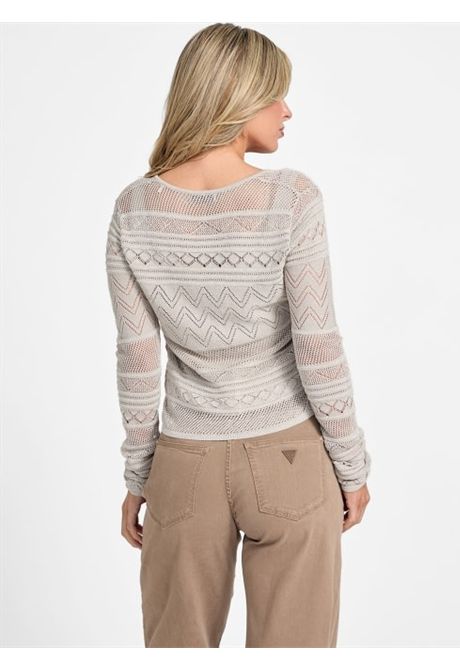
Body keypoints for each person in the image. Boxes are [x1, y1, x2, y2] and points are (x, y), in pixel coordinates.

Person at [105, 22, 372, 648]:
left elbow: (137, 359)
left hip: (183, 466)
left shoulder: (133, 208)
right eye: (275, 95)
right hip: (289, 458)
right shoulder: (290, 197)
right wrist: (351, 465)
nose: (287, 111)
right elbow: (317, 344)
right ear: (236, 97)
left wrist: (140, 477)